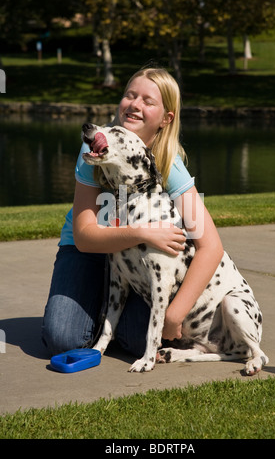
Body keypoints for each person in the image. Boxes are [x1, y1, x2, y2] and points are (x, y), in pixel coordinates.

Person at [42, 67, 224, 357]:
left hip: (137, 262)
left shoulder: (168, 162)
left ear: (166, 118)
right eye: (130, 95)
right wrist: (143, 232)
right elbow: (85, 237)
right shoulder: (94, 147)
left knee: (140, 341)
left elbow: (211, 246)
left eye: (148, 101)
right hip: (86, 251)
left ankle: (107, 316)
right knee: (62, 338)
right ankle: (97, 308)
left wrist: (175, 315)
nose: (135, 104)